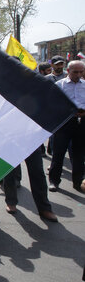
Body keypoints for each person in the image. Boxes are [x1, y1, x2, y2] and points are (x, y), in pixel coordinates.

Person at [49, 60, 85, 193]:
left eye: (81, 72)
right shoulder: (59, 85)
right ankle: (54, 181)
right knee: (58, 153)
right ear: (68, 71)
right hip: (65, 123)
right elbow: (53, 104)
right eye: (76, 72)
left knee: (79, 155)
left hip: (82, 123)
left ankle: (78, 182)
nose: (79, 74)